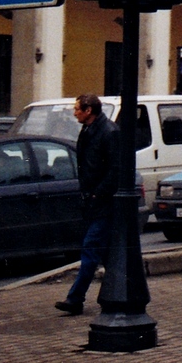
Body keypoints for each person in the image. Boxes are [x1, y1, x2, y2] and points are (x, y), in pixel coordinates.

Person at [55, 93, 119, 315]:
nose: (74, 113)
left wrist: (97, 194)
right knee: (107, 253)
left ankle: (75, 298)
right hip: (94, 199)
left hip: (102, 201)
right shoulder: (90, 130)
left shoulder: (108, 132)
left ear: (88, 110)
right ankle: (118, 291)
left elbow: (114, 169)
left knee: (91, 248)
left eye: (77, 109)